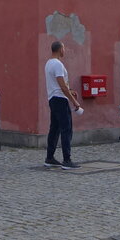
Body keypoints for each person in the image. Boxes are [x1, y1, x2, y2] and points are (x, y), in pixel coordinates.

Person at [44, 40, 83, 169]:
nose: (64, 51)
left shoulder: (48, 63)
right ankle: (67, 160)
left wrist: (70, 90)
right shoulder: (58, 65)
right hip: (60, 99)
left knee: (54, 128)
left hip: (52, 98)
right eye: (64, 48)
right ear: (60, 49)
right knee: (66, 128)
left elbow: (59, 85)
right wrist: (74, 101)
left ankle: (49, 157)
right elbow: (62, 86)